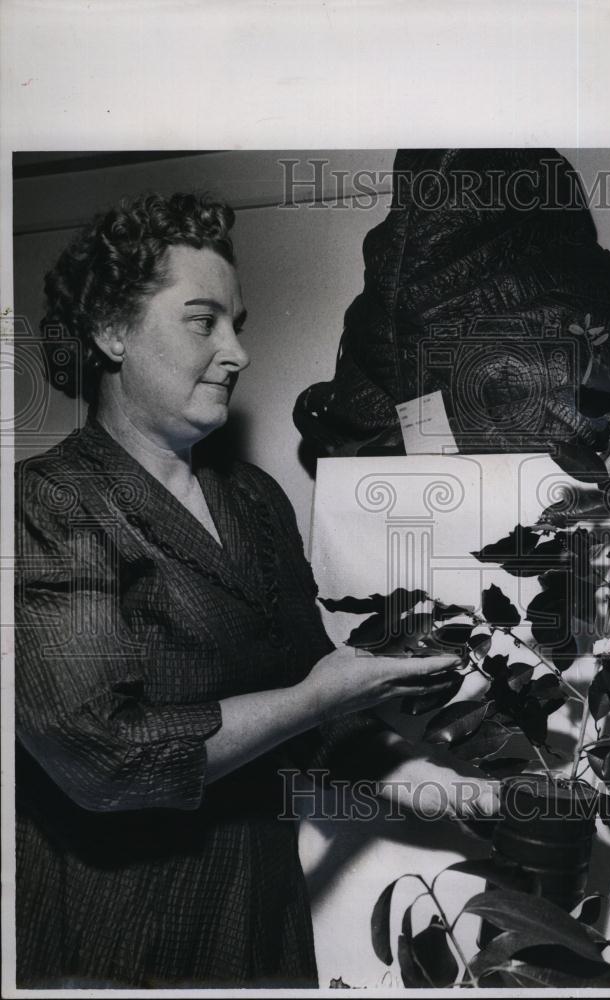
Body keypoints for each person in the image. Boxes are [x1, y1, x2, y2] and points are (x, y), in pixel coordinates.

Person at [14, 192, 499, 988]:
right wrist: (319, 697)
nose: (237, 352)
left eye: (239, 323)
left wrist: (444, 787)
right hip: (109, 945)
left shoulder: (256, 501)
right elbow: (103, 761)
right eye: (203, 321)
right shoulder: (47, 504)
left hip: (258, 926)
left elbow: (310, 701)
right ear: (109, 331)